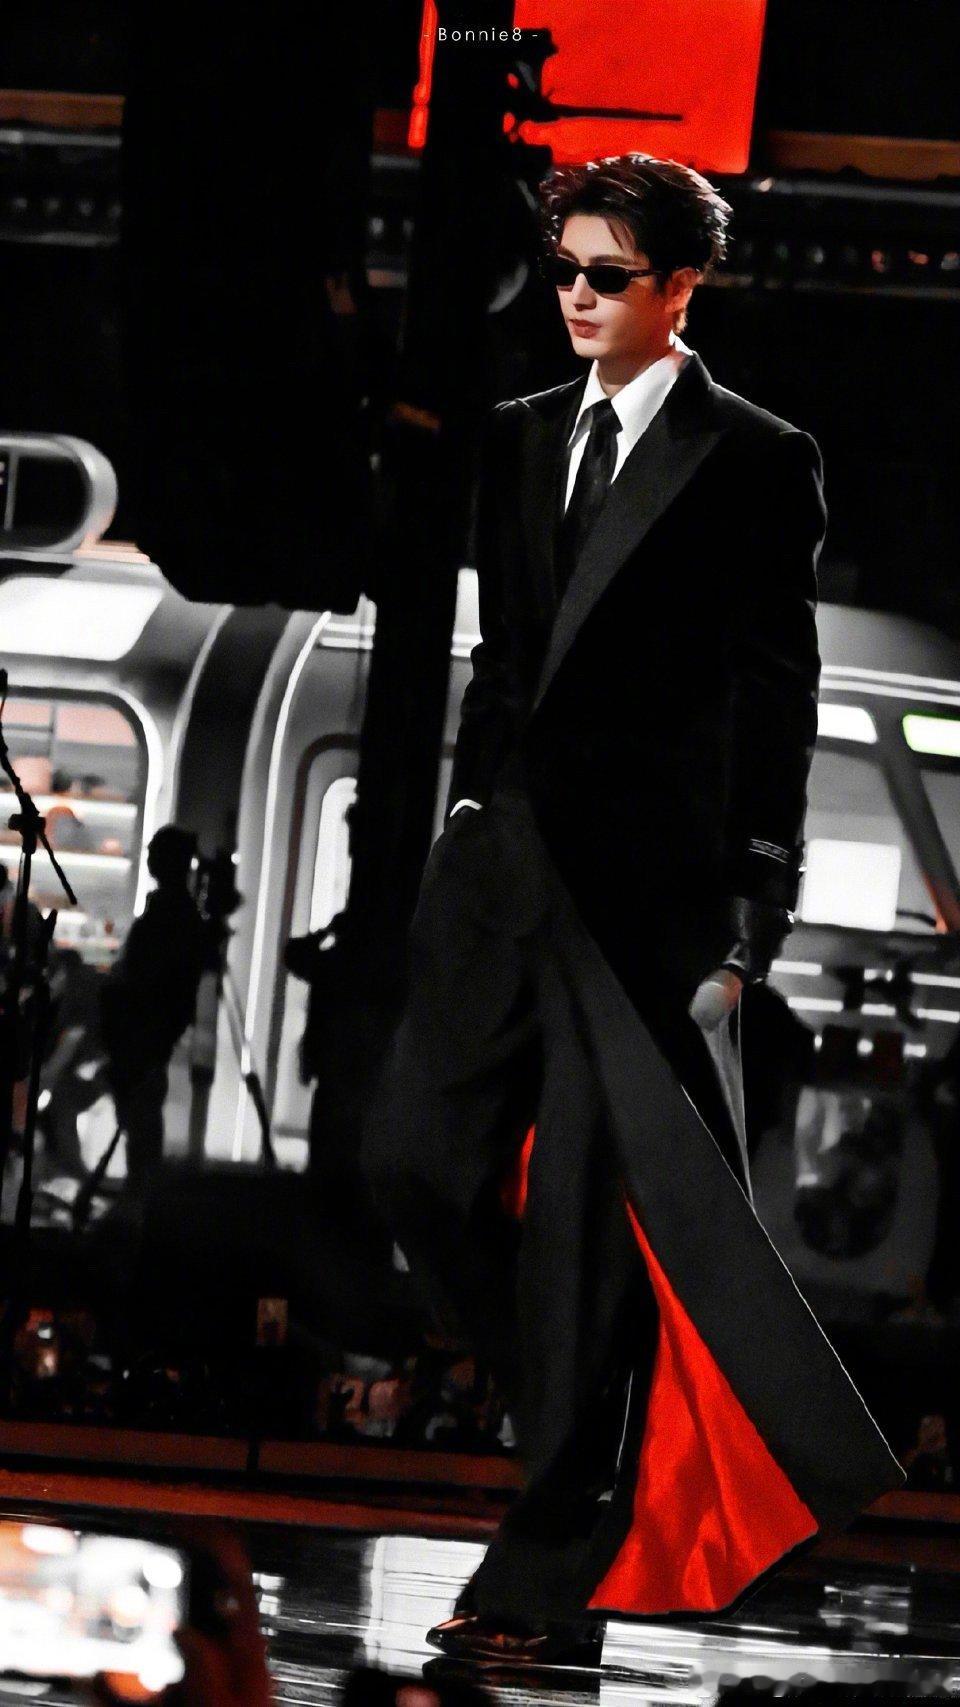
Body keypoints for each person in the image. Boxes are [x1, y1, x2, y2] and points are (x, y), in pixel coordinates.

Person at [361, 153, 905, 1665]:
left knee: (584, 1255)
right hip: (502, 875)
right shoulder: (520, 434)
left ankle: (543, 1578)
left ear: (681, 285)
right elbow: (505, 660)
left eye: (609, 275)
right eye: (565, 272)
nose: (578, 298)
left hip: (642, 905)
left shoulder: (757, 456)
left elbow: (776, 691)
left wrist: (758, 899)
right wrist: (469, 809)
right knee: (410, 1162)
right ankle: (559, 1390)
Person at [100, 826, 209, 1190]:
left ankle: (141, 1191)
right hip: (149, 1030)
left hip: (145, 1029)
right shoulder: (179, 913)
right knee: (143, 1116)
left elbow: (151, 976)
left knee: (141, 1118)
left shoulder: (169, 914)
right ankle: (141, 1190)